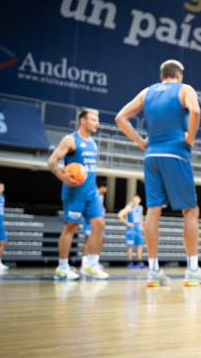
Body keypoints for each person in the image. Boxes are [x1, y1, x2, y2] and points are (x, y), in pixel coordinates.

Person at [116, 59, 201, 287]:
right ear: (179, 75)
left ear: (162, 76)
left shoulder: (147, 92)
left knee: (153, 211)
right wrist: (190, 137)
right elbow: (196, 110)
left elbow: (120, 118)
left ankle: (153, 271)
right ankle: (192, 270)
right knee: (191, 210)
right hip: (176, 153)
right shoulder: (184, 89)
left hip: (151, 156)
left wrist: (141, 142)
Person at [48, 108, 108, 280]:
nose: (97, 123)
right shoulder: (70, 139)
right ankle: (62, 267)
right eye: (94, 119)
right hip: (75, 193)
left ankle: (90, 265)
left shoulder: (93, 143)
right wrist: (62, 177)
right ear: (83, 120)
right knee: (71, 228)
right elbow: (52, 161)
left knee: (99, 224)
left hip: (92, 193)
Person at [81, 181, 107, 269]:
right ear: (102, 187)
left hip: (99, 219)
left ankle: (94, 261)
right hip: (91, 219)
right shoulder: (93, 193)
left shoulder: (101, 196)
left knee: (100, 239)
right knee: (88, 239)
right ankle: (84, 261)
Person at [117, 195, 147, 269]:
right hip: (131, 228)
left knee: (140, 245)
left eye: (138, 198)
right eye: (135, 198)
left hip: (138, 229)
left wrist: (141, 225)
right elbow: (120, 214)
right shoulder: (129, 207)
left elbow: (141, 217)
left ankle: (139, 262)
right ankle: (130, 262)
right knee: (130, 246)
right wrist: (127, 223)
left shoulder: (141, 207)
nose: (136, 199)